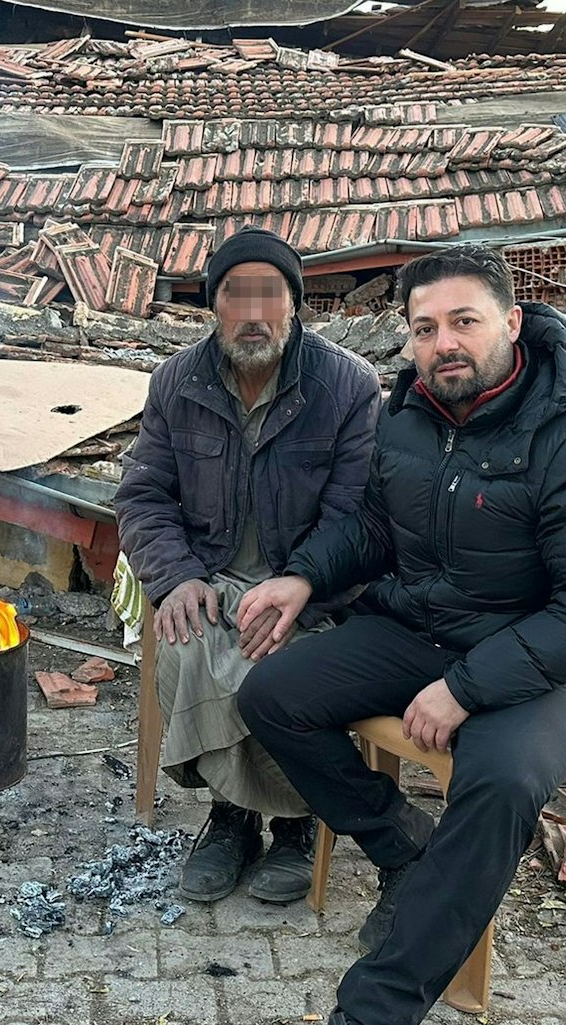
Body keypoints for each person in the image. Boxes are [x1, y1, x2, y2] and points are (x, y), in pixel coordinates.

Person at [234, 245, 566, 1025]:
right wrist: (306, 576)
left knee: (499, 785)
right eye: (425, 328)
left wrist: (464, 689)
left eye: (463, 321)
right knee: (272, 695)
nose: (443, 343)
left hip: (544, 661)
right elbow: (373, 529)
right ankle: (403, 848)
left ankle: (368, 1022)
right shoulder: (411, 416)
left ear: (513, 322)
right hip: (426, 627)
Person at [116, 228, 379, 905]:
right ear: (213, 306)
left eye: (272, 296)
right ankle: (233, 819)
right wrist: (174, 576)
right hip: (208, 575)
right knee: (186, 642)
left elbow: (357, 517)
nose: (255, 315)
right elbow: (143, 495)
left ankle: (292, 822)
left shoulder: (347, 386)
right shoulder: (177, 382)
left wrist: (302, 584)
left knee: (277, 661)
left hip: (314, 587)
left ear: (295, 305)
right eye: (238, 296)